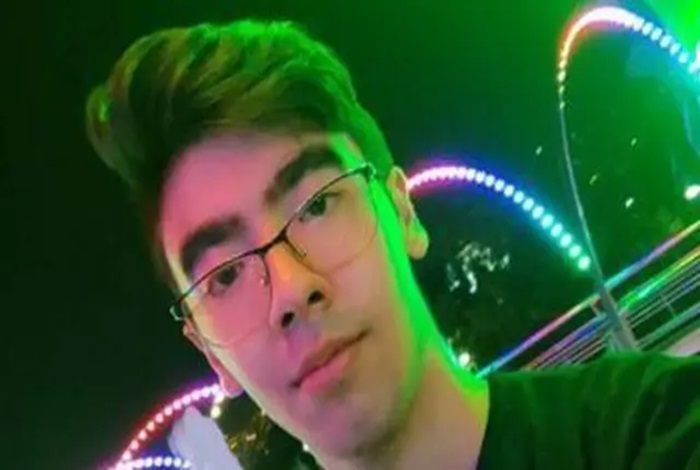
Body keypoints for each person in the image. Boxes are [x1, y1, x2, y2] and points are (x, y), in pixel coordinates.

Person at [85, 19, 700, 469]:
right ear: (209, 351)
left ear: (403, 211)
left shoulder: (653, 429)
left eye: (316, 206)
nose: (292, 291)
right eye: (225, 275)